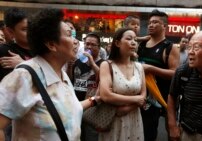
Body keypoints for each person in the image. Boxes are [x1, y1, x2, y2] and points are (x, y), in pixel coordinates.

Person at [0, 8, 100, 141]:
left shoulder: (62, 75)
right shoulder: (25, 76)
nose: (76, 41)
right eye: (70, 35)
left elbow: (67, 110)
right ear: (52, 44)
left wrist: (95, 100)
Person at [137, 9, 179, 141]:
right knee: (141, 131)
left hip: (163, 97)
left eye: (155, 22)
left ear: (164, 26)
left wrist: (150, 68)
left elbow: (174, 73)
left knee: (169, 131)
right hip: (141, 96)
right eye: (149, 22)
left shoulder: (170, 47)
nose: (150, 25)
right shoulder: (141, 44)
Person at [98, 28, 146, 141]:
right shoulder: (106, 65)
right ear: (117, 43)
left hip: (135, 120)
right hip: (113, 120)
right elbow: (106, 96)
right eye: (129, 39)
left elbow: (143, 96)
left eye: (135, 39)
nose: (134, 42)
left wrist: (126, 109)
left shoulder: (139, 67)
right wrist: (135, 100)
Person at [0, 8, 32, 81]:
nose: (31, 32)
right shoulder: (5, 51)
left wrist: (23, 64)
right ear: (10, 31)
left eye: (32, 27)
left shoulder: (43, 50)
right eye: (25, 29)